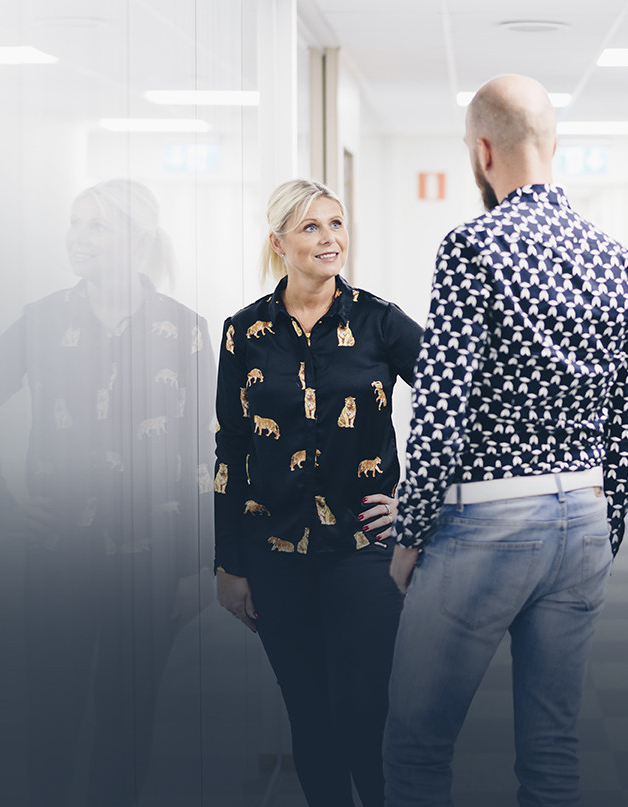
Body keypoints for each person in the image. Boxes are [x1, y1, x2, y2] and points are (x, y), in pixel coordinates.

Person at [383, 74, 628, 806]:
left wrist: (409, 536)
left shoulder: (473, 248)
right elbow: (627, 421)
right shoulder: (621, 263)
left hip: (487, 525)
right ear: (554, 145)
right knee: (552, 757)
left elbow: (441, 406)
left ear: (482, 151)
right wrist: (606, 529)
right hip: (585, 519)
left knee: (415, 749)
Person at [0, 178, 213, 807]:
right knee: (52, 716)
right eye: (75, 224)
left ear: (137, 240)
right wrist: (0, 501)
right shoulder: (42, 321)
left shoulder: (184, 329)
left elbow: (203, 453)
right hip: (60, 554)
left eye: (97, 226)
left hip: (152, 563)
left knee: (128, 723)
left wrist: (201, 562)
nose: (78, 239)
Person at [213, 178, 422, 807]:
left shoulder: (380, 322)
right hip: (274, 551)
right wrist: (227, 563)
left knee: (364, 711)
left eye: (336, 224)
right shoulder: (243, 332)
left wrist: (419, 500)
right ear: (279, 243)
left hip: (363, 548)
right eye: (311, 227)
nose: (330, 239)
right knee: (309, 714)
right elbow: (231, 450)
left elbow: (457, 407)